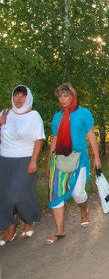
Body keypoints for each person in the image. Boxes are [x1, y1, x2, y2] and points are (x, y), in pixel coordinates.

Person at [45, 83, 101, 245]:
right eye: (60, 97)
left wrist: (97, 158)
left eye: (66, 96)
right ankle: (59, 230)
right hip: (60, 158)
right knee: (55, 193)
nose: (63, 100)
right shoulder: (57, 117)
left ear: (73, 96)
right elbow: (55, 139)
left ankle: (83, 210)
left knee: (77, 192)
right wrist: (49, 162)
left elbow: (91, 136)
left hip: (79, 158)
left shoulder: (84, 113)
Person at [0, 85, 45, 246]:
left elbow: (39, 139)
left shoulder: (34, 116)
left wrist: (33, 161)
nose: (19, 99)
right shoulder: (5, 113)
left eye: (22, 96)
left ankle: (29, 220)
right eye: (16, 95)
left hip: (25, 159)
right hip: (5, 160)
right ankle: (10, 231)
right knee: (4, 197)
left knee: (18, 195)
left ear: (28, 98)